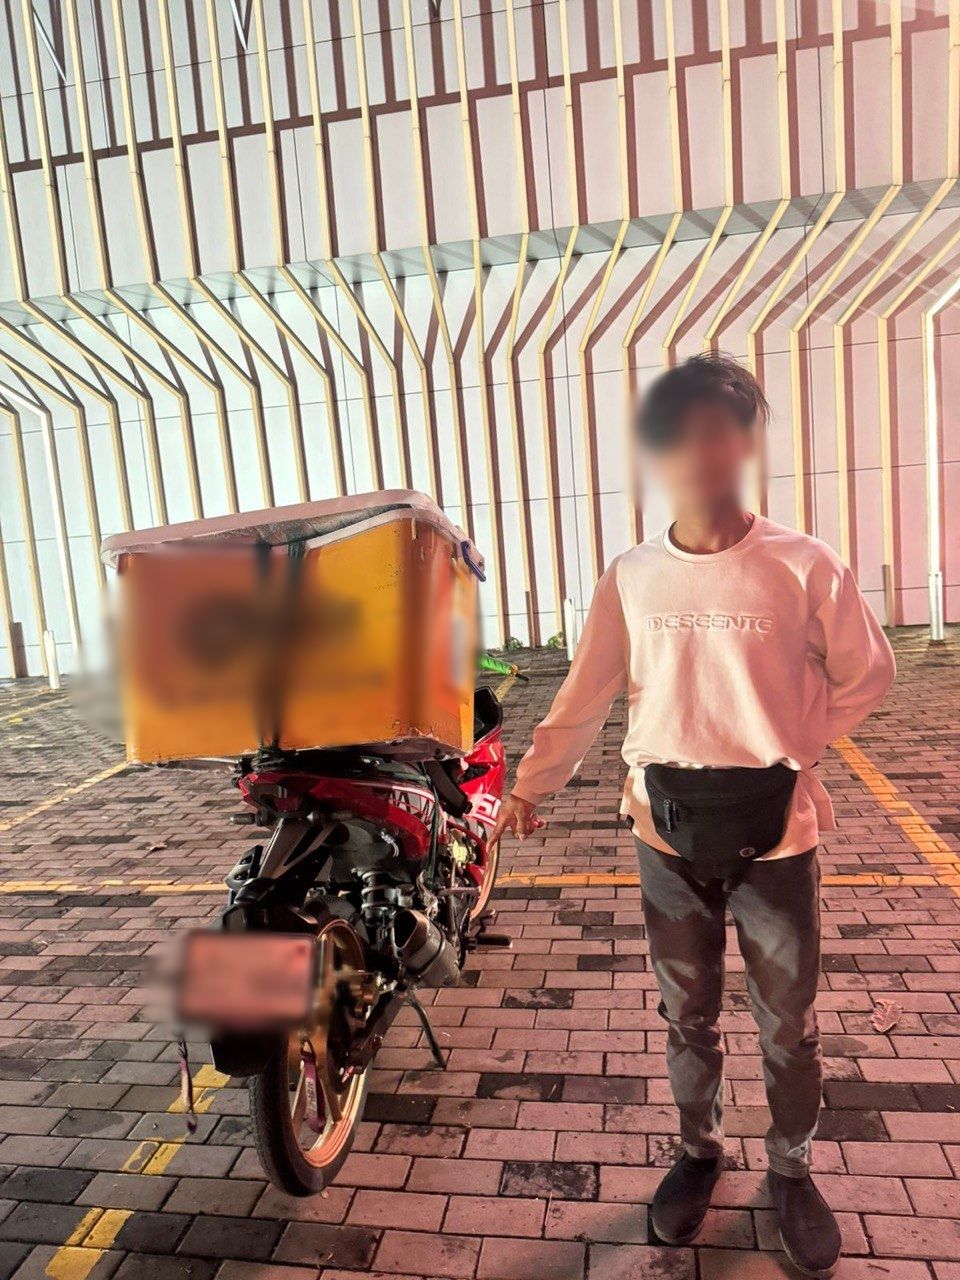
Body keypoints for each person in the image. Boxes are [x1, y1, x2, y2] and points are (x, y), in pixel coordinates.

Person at [491, 353, 895, 1279]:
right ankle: (698, 1150)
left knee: (787, 1023)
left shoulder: (802, 565)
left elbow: (867, 673)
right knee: (688, 1016)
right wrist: (532, 785)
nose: (699, 452)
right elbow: (586, 694)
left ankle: (791, 1168)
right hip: (663, 831)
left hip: (777, 833)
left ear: (745, 444)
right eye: (678, 435)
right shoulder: (634, 574)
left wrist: (797, 741)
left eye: (720, 431)